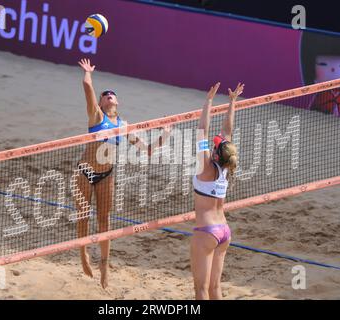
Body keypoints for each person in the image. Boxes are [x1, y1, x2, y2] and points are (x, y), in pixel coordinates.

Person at [76, 58, 170, 289]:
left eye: (112, 94)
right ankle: (83, 254)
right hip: (85, 172)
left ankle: (105, 266)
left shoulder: (124, 126)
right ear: (100, 101)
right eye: (105, 94)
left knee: (104, 221)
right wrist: (88, 73)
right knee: (83, 217)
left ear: (117, 101)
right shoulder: (96, 116)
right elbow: (87, 88)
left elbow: (147, 150)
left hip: (107, 175)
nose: (109, 95)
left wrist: (165, 135)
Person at [191, 81, 244, 300]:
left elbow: (202, 131)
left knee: (201, 290)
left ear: (214, 154)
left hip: (206, 233)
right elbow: (227, 132)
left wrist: (209, 101)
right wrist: (232, 103)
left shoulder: (205, 168)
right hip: (224, 231)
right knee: (215, 288)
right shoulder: (225, 167)